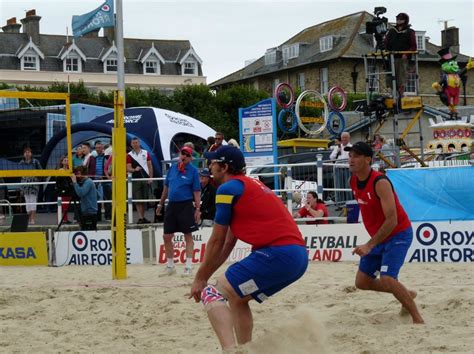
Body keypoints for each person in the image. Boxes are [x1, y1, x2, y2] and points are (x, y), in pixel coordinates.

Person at [189, 145, 308, 350]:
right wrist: (204, 275)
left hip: (276, 254)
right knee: (238, 298)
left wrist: (200, 278)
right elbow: (227, 243)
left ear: (224, 167)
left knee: (212, 294)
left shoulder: (228, 189)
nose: (210, 166)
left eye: (214, 162)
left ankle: (230, 351)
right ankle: (246, 349)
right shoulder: (249, 185)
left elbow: (216, 241)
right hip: (296, 257)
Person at [345, 141, 424, 324]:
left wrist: (369, 245)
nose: (351, 159)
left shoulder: (380, 182)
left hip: (398, 234)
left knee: (387, 278)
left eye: (356, 156)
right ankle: (405, 293)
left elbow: (392, 220)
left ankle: (418, 320)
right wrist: (372, 243)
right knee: (362, 282)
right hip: (379, 238)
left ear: (367, 160)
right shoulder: (353, 180)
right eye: (350, 155)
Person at [156, 146, 201, 275]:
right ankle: (170, 266)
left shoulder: (193, 171)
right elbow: (166, 187)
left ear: (191, 158)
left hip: (185, 205)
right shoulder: (173, 169)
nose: (184, 156)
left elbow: (196, 191)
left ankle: (188, 266)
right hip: (172, 205)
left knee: (188, 235)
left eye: (187, 155)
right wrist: (160, 204)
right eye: (183, 153)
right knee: (167, 236)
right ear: (179, 154)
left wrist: (198, 209)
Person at [384, 12, 417, 96]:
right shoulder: (391, 31)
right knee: (390, 77)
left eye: (401, 19)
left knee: (401, 78)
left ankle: (400, 95)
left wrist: (406, 54)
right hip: (391, 58)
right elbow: (386, 43)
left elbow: (413, 46)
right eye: (397, 19)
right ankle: (392, 95)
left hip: (402, 59)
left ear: (405, 20)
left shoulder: (410, 32)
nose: (398, 21)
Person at [126, 137, 153, 224]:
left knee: (144, 198)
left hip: (145, 178)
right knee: (137, 199)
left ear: (139, 143)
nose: (135, 144)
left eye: (136, 142)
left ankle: (143, 217)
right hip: (135, 179)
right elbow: (128, 168)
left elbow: (150, 166)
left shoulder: (146, 153)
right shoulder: (129, 155)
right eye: (133, 143)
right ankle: (141, 217)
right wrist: (134, 169)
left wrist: (150, 177)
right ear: (131, 144)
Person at [19, 146, 42, 225]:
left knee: (33, 202)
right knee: (27, 202)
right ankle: (28, 219)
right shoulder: (21, 163)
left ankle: (32, 219)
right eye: (26, 152)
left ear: (31, 153)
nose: (27, 153)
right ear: (23, 154)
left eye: (29, 152)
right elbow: (18, 173)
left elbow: (41, 172)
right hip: (25, 185)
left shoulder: (35, 162)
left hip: (33, 185)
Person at [70, 166, 98, 231]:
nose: (77, 176)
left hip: (90, 211)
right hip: (87, 211)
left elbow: (81, 193)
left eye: (78, 173)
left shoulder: (88, 182)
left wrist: (74, 182)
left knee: (89, 231)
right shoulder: (87, 182)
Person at [329, 131, 352, 206]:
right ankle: (339, 204)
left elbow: (350, 157)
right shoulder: (337, 147)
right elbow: (331, 157)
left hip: (347, 169)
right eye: (343, 137)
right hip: (338, 169)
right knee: (339, 187)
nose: (344, 139)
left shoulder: (351, 147)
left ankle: (349, 204)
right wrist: (337, 151)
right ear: (341, 138)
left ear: (349, 138)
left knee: (348, 187)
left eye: (346, 137)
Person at [55, 155, 74, 224]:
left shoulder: (70, 170)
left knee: (66, 206)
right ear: (62, 162)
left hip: (68, 190)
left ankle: (65, 219)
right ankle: (60, 220)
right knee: (61, 206)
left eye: (67, 160)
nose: (66, 161)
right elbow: (58, 181)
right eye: (65, 160)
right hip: (62, 190)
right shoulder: (60, 170)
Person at [94, 140, 106, 221]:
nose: (98, 149)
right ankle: (98, 215)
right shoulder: (94, 158)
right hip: (95, 180)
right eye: (96, 148)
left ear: (102, 148)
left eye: (99, 147)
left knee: (104, 198)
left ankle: (105, 215)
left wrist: (104, 177)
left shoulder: (106, 157)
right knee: (97, 198)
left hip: (104, 180)